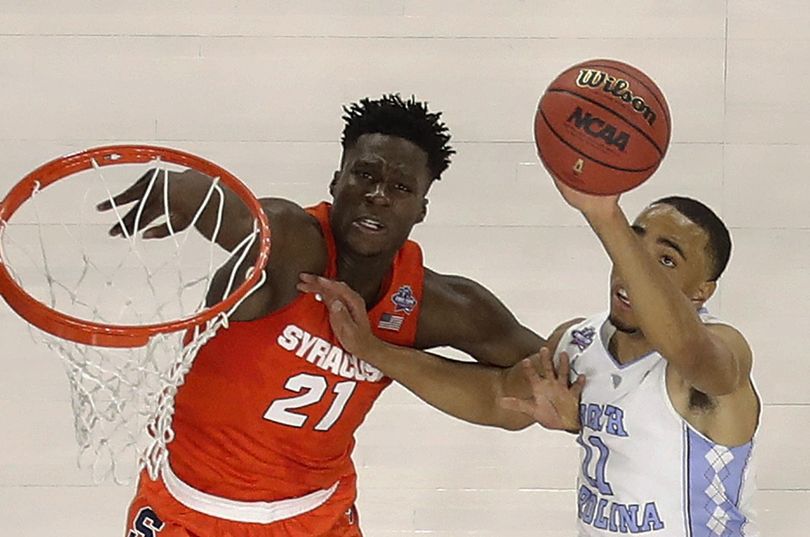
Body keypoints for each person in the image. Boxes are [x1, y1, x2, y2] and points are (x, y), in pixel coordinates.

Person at [103, 94, 582, 537]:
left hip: (318, 516)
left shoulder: (435, 303)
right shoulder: (296, 245)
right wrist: (196, 194)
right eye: (365, 175)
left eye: (400, 187)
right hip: (192, 511)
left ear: (421, 209)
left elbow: (550, 371)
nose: (378, 195)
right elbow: (248, 222)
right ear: (336, 182)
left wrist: (579, 397)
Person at [300, 178, 760, 536]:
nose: (632, 265)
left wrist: (605, 216)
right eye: (634, 245)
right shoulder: (580, 342)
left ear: (702, 290)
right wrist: (375, 351)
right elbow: (496, 395)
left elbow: (690, 352)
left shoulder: (720, 349)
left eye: (665, 260)